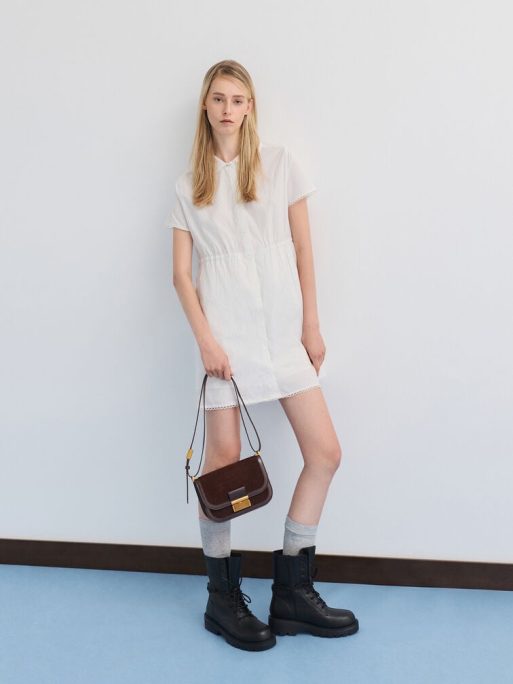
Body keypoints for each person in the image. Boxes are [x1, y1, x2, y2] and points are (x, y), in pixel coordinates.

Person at [168, 59, 359, 651]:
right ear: (206, 107)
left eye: (238, 99)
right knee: (222, 468)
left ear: (250, 108)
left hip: (282, 333)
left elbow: (303, 249)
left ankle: (292, 593)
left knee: (324, 453)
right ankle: (221, 599)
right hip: (225, 342)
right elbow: (181, 276)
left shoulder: (278, 165)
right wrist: (206, 340)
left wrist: (311, 325)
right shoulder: (188, 187)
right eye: (218, 98)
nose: (228, 109)